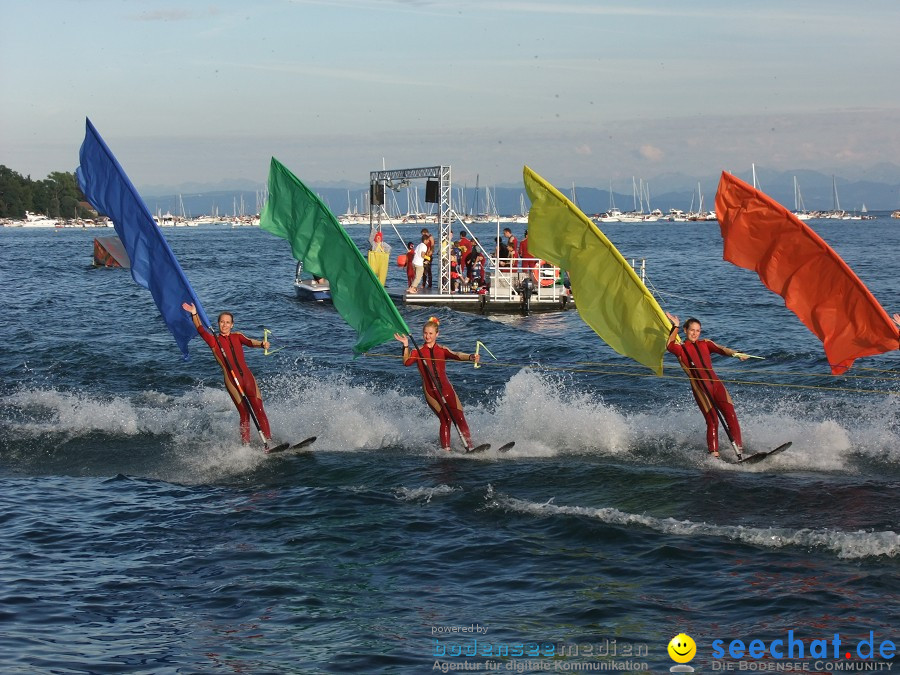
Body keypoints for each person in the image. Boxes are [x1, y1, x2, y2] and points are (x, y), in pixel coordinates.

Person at [182, 302, 273, 448]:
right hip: (232, 381)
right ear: (218, 324)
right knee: (245, 414)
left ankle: (269, 442)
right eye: (222, 322)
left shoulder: (238, 336)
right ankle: (246, 447)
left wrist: (262, 344)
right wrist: (194, 313)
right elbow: (200, 329)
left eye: (227, 322)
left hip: (248, 379)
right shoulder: (213, 341)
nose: (224, 325)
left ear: (232, 324)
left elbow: (250, 342)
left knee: (259, 409)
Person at [665, 312, 749, 459]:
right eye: (692, 330)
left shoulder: (706, 343)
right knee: (713, 420)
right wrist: (675, 326)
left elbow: (722, 349)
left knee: (731, 415)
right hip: (701, 389)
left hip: (717, 385)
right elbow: (669, 345)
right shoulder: (681, 348)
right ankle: (714, 455)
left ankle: (739, 450)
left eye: (698, 330)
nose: (695, 333)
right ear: (685, 330)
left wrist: (737, 354)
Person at [394, 317, 479, 451]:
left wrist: (471, 357)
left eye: (430, 333)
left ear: (437, 334)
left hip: (447, 389)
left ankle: (470, 448)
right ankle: (446, 451)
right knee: (446, 419)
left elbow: (456, 355)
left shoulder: (442, 349)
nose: (427, 336)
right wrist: (405, 344)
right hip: (431, 392)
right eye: (425, 333)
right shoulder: (418, 351)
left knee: (460, 418)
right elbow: (406, 362)